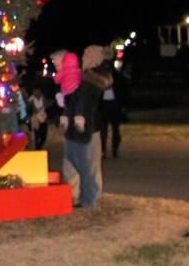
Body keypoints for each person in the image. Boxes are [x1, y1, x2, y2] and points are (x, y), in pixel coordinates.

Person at [51, 48, 101, 208]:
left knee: (85, 164)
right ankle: (80, 196)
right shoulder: (75, 77)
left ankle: (90, 198)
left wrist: (70, 109)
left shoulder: (89, 79)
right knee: (74, 162)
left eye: (57, 61)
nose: (83, 57)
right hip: (73, 126)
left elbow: (83, 103)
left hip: (85, 127)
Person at [81, 45, 113, 203]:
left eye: (86, 55)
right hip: (87, 121)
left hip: (92, 122)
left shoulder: (95, 76)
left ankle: (93, 193)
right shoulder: (86, 75)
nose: (83, 58)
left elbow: (105, 83)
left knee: (92, 161)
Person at [99, 54, 130, 158]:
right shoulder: (99, 77)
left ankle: (115, 151)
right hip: (103, 105)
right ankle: (103, 151)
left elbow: (124, 92)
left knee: (115, 129)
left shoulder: (117, 77)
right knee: (103, 130)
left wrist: (124, 106)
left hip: (114, 105)